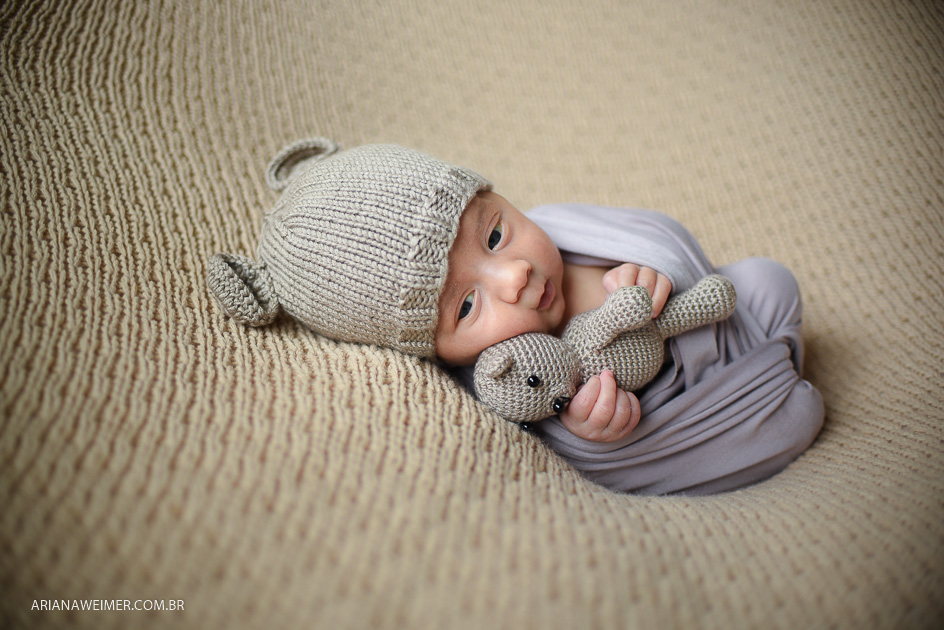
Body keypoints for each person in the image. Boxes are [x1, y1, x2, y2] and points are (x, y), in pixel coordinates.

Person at [207, 138, 824, 495]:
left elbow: (662, 238)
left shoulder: (563, 227)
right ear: (438, 351)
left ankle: (775, 352)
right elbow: (562, 457)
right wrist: (590, 427)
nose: (515, 276)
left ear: (497, 199)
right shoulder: (506, 382)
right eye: (466, 306)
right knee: (793, 417)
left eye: (496, 234)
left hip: (716, 324)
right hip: (700, 416)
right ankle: (771, 400)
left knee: (768, 280)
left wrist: (650, 273)